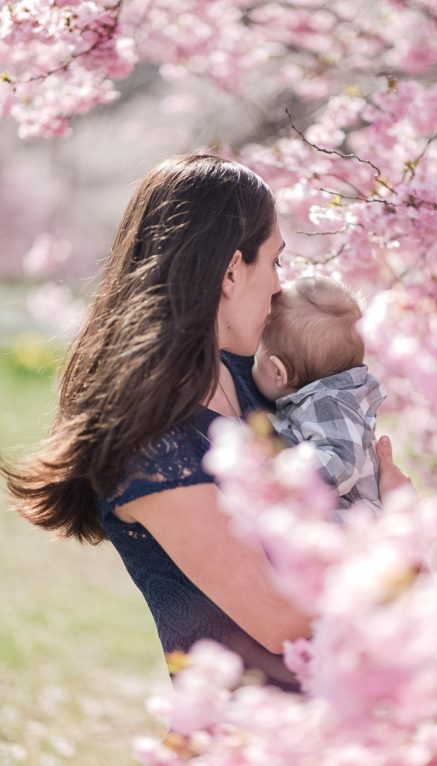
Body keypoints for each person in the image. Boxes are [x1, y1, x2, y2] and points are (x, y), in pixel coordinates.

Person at [2, 152, 408, 692]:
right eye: (275, 262)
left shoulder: (253, 378)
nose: (280, 288)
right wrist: (400, 533)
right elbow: (283, 620)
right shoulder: (151, 448)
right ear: (232, 271)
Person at [252, 275, 386, 514]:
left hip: (350, 525)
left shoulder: (327, 403)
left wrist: (284, 475)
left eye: (256, 355)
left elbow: (342, 463)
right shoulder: (321, 401)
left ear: (277, 372)